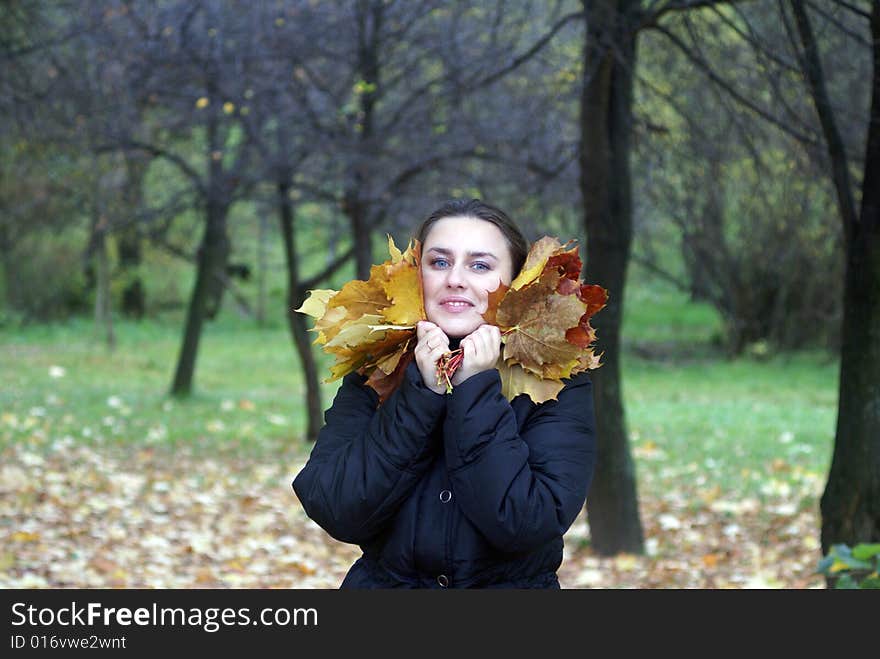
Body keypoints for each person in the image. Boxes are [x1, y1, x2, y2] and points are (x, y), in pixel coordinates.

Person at [292, 198, 597, 588]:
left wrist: (474, 389)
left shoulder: (555, 379)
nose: (455, 278)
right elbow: (335, 506)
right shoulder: (379, 369)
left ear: (518, 284)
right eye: (439, 262)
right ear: (415, 275)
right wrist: (422, 393)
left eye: (480, 265)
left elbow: (527, 523)